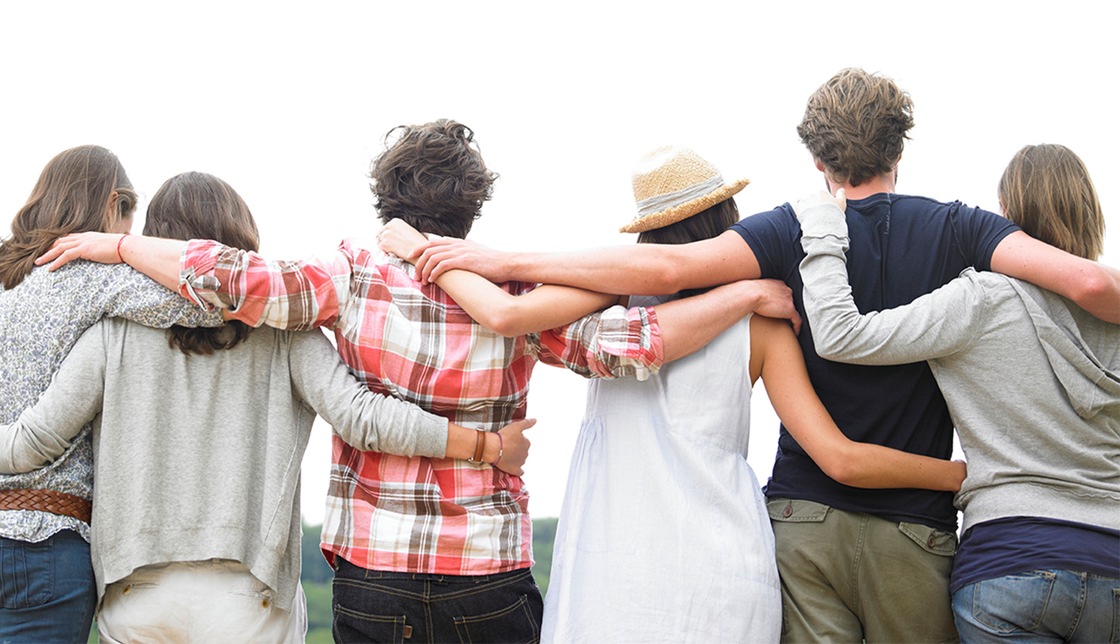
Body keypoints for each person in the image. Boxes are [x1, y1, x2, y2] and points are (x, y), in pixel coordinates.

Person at [400, 70, 1120, 641]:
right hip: (888, 534)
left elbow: (654, 278)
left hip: (745, 542)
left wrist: (486, 254)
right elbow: (1084, 281)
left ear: (816, 158)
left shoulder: (769, 239)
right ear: (901, 149)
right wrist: (971, 475)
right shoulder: (958, 231)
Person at [32, 120, 800, 641]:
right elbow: (637, 342)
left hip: (375, 575)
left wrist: (122, 249)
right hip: (487, 573)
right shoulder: (523, 297)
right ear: (473, 205)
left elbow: (233, 276)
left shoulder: (350, 276)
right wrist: (743, 292)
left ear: (386, 200)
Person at [377, 145, 968, 643]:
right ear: (729, 221)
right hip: (724, 577)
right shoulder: (760, 319)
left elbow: (504, 312)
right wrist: (961, 475)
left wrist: (415, 245)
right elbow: (838, 457)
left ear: (647, 235)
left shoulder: (605, 306)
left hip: (608, 574)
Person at [0, 171, 537, 642]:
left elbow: (33, 442)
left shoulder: (111, 334)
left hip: (136, 597)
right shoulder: (285, 335)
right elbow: (362, 416)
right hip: (250, 600)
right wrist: (483, 445)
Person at [793, 144, 1118, 643]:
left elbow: (841, 335)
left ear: (1006, 216)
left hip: (1011, 564)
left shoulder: (981, 300)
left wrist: (821, 226)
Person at [0, 145, 222, 643]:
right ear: (111, 204)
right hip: (38, 543)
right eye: (129, 220)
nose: (129, 234)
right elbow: (215, 299)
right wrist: (124, 252)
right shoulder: (92, 278)